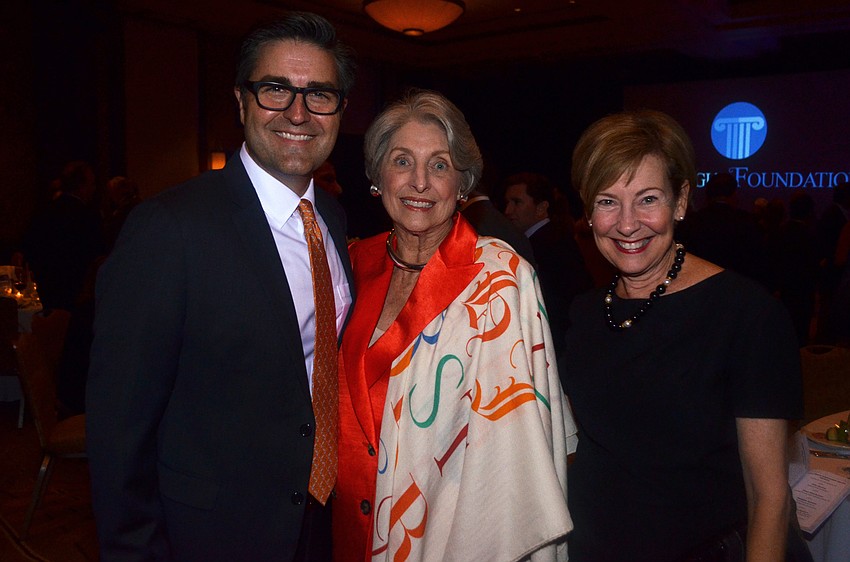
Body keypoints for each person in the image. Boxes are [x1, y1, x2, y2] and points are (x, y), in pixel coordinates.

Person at [86, 13, 355, 561]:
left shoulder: (334, 217)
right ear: (241, 102)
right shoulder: (170, 228)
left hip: (322, 522)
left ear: (340, 110)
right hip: (211, 533)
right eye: (275, 89)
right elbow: (119, 430)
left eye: (319, 94)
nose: (298, 112)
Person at [333, 90, 577, 562]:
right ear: (377, 176)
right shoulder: (351, 266)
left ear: (463, 183)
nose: (420, 182)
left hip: (457, 537)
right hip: (349, 532)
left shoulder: (501, 276)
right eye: (402, 161)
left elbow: (524, 444)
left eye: (439, 165)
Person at [563, 109, 804, 561]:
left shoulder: (746, 315)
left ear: (680, 201)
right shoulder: (584, 313)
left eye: (648, 199)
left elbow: (769, 498)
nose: (627, 223)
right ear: (588, 211)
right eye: (607, 200)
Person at [503, 172, 592, 347]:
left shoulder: (552, 244)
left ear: (541, 208)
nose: (508, 211)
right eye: (507, 203)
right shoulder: (540, 241)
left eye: (517, 202)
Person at [21, 160, 105, 311]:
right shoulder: (87, 217)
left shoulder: (44, 212)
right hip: (77, 295)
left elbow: (29, 248)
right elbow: (95, 256)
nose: (94, 188)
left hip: (45, 291)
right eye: (92, 184)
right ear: (82, 186)